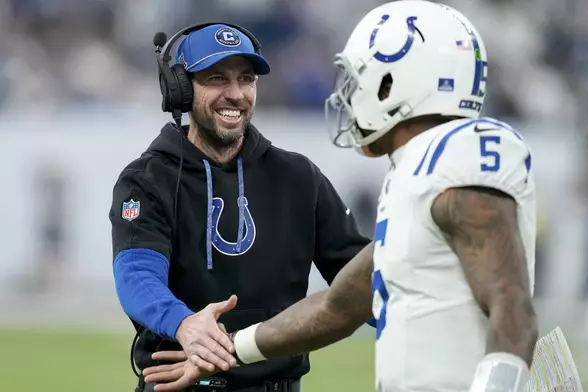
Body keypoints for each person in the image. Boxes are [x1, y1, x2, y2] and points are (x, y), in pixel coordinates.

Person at [143, 2, 540, 392]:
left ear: (392, 83)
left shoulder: (457, 157)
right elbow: (338, 306)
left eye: (358, 79)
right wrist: (228, 349)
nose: (349, 96)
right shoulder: (416, 173)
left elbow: (512, 303)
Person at [109, 22, 370, 392]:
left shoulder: (298, 177)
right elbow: (136, 274)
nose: (235, 94)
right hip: (179, 385)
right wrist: (185, 324)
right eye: (216, 78)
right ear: (181, 88)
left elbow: (361, 278)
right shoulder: (147, 179)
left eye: (245, 79)